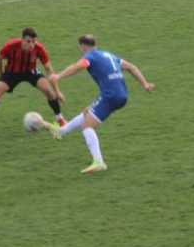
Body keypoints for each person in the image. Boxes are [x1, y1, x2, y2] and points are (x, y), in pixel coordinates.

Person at [39, 35, 155, 174]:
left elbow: (78, 66)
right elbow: (131, 67)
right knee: (87, 113)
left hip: (111, 96)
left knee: (87, 126)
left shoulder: (91, 56)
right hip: (121, 94)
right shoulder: (109, 55)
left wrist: (59, 76)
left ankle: (99, 162)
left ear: (82, 46)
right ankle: (61, 131)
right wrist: (145, 84)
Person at [0, 27, 65, 130]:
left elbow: (49, 69)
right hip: (12, 72)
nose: (31, 45)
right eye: (28, 41)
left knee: (48, 90)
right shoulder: (11, 45)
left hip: (30, 71)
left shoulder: (39, 48)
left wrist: (57, 91)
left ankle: (60, 119)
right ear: (22, 40)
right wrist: (0, 76)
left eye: (33, 42)